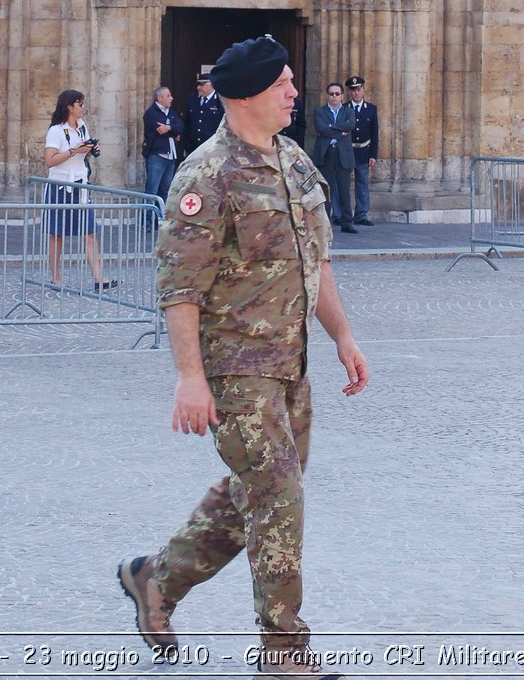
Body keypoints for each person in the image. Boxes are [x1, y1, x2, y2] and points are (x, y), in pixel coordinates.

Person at [118, 37, 369, 678]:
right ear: (248, 95)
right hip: (235, 369)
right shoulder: (206, 176)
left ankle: (156, 579)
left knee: (257, 492)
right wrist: (188, 379)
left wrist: (342, 336)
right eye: (283, 82)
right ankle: (284, 654)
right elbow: (179, 287)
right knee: (279, 494)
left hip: (292, 362)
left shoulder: (296, 164)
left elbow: (319, 263)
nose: (295, 92)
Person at [43, 89, 106, 291]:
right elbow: (50, 161)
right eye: (80, 104)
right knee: (57, 234)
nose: (83, 107)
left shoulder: (81, 127)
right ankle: (56, 277)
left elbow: (82, 153)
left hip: (80, 184)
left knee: (89, 232)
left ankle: (98, 278)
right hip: (60, 186)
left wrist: (90, 149)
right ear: (70, 107)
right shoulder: (56, 130)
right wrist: (73, 151)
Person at [312, 83, 357, 233]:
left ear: (343, 96)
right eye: (331, 94)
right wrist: (340, 132)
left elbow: (350, 125)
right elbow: (320, 128)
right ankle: (324, 222)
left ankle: (346, 222)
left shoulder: (349, 111)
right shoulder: (319, 111)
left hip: (342, 154)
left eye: (337, 94)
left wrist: (331, 128)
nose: (334, 97)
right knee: (326, 189)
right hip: (326, 153)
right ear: (327, 96)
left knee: (344, 189)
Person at [344, 76, 379, 226]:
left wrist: (373, 154)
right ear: (350, 92)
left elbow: (374, 133)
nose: (356, 93)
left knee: (362, 183)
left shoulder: (371, 109)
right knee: (343, 183)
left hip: (363, 150)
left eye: (359, 89)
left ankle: (361, 214)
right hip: (347, 150)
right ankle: (342, 214)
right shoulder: (345, 108)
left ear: (363, 90)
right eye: (353, 90)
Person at [143, 86, 184, 208]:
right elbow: (160, 130)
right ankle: (148, 221)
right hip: (157, 155)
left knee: (165, 190)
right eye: (168, 96)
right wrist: (172, 130)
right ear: (159, 98)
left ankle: (161, 219)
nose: (171, 98)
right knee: (152, 190)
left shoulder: (171, 112)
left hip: (171, 155)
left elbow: (180, 126)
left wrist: (169, 128)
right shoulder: (151, 113)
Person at [182, 72, 224, 155]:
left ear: (212, 85)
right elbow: (187, 122)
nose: (199, 87)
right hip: (193, 148)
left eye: (202, 84)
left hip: (212, 148)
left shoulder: (220, 101)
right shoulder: (192, 99)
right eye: (198, 84)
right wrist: (186, 144)